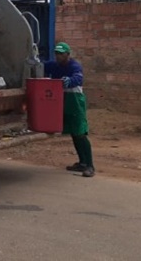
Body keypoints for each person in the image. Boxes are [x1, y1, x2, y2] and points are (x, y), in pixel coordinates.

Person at [44, 42, 95, 178]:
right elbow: (41, 65)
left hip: (75, 101)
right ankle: (82, 163)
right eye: (57, 53)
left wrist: (70, 81)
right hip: (63, 101)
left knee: (80, 132)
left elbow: (78, 77)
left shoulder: (74, 66)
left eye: (61, 53)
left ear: (68, 54)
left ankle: (90, 165)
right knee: (74, 133)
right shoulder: (54, 66)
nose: (58, 56)